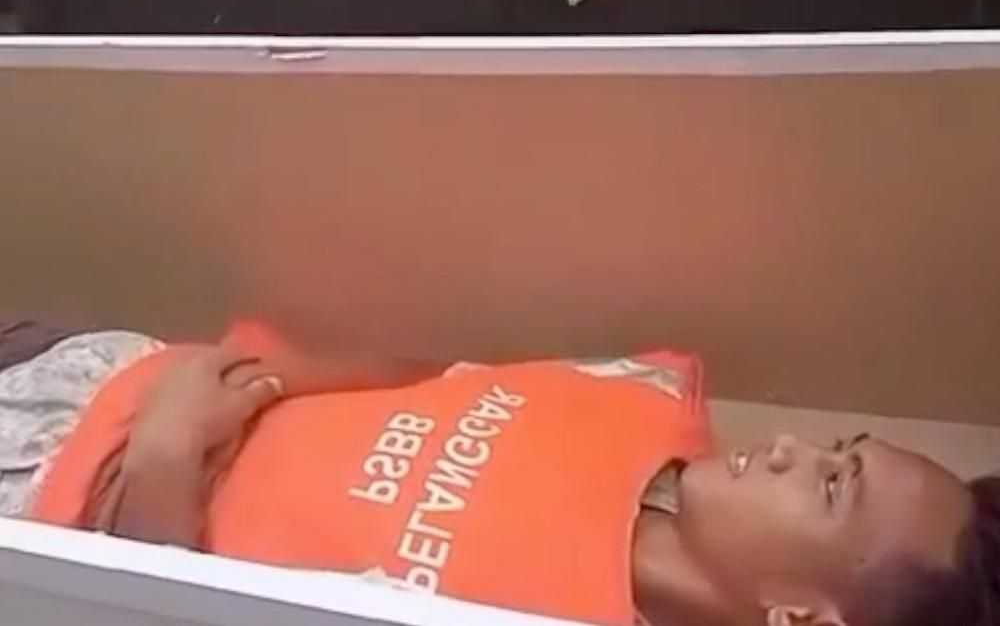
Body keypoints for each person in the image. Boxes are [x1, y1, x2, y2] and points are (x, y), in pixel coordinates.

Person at [2, 319, 997, 626]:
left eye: (829, 485)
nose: (790, 447)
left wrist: (168, 462)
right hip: (86, 362)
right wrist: (218, 378)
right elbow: (408, 372)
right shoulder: (638, 399)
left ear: (799, 618)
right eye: (836, 448)